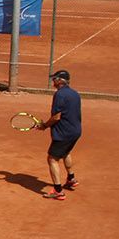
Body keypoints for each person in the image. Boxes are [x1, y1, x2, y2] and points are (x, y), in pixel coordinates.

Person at [35, 69, 81, 199]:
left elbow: (56, 117)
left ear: (60, 81)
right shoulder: (75, 94)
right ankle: (71, 178)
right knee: (65, 152)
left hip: (64, 132)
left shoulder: (59, 95)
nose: (53, 81)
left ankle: (58, 190)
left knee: (52, 158)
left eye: (54, 79)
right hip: (75, 131)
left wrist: (44, 125)